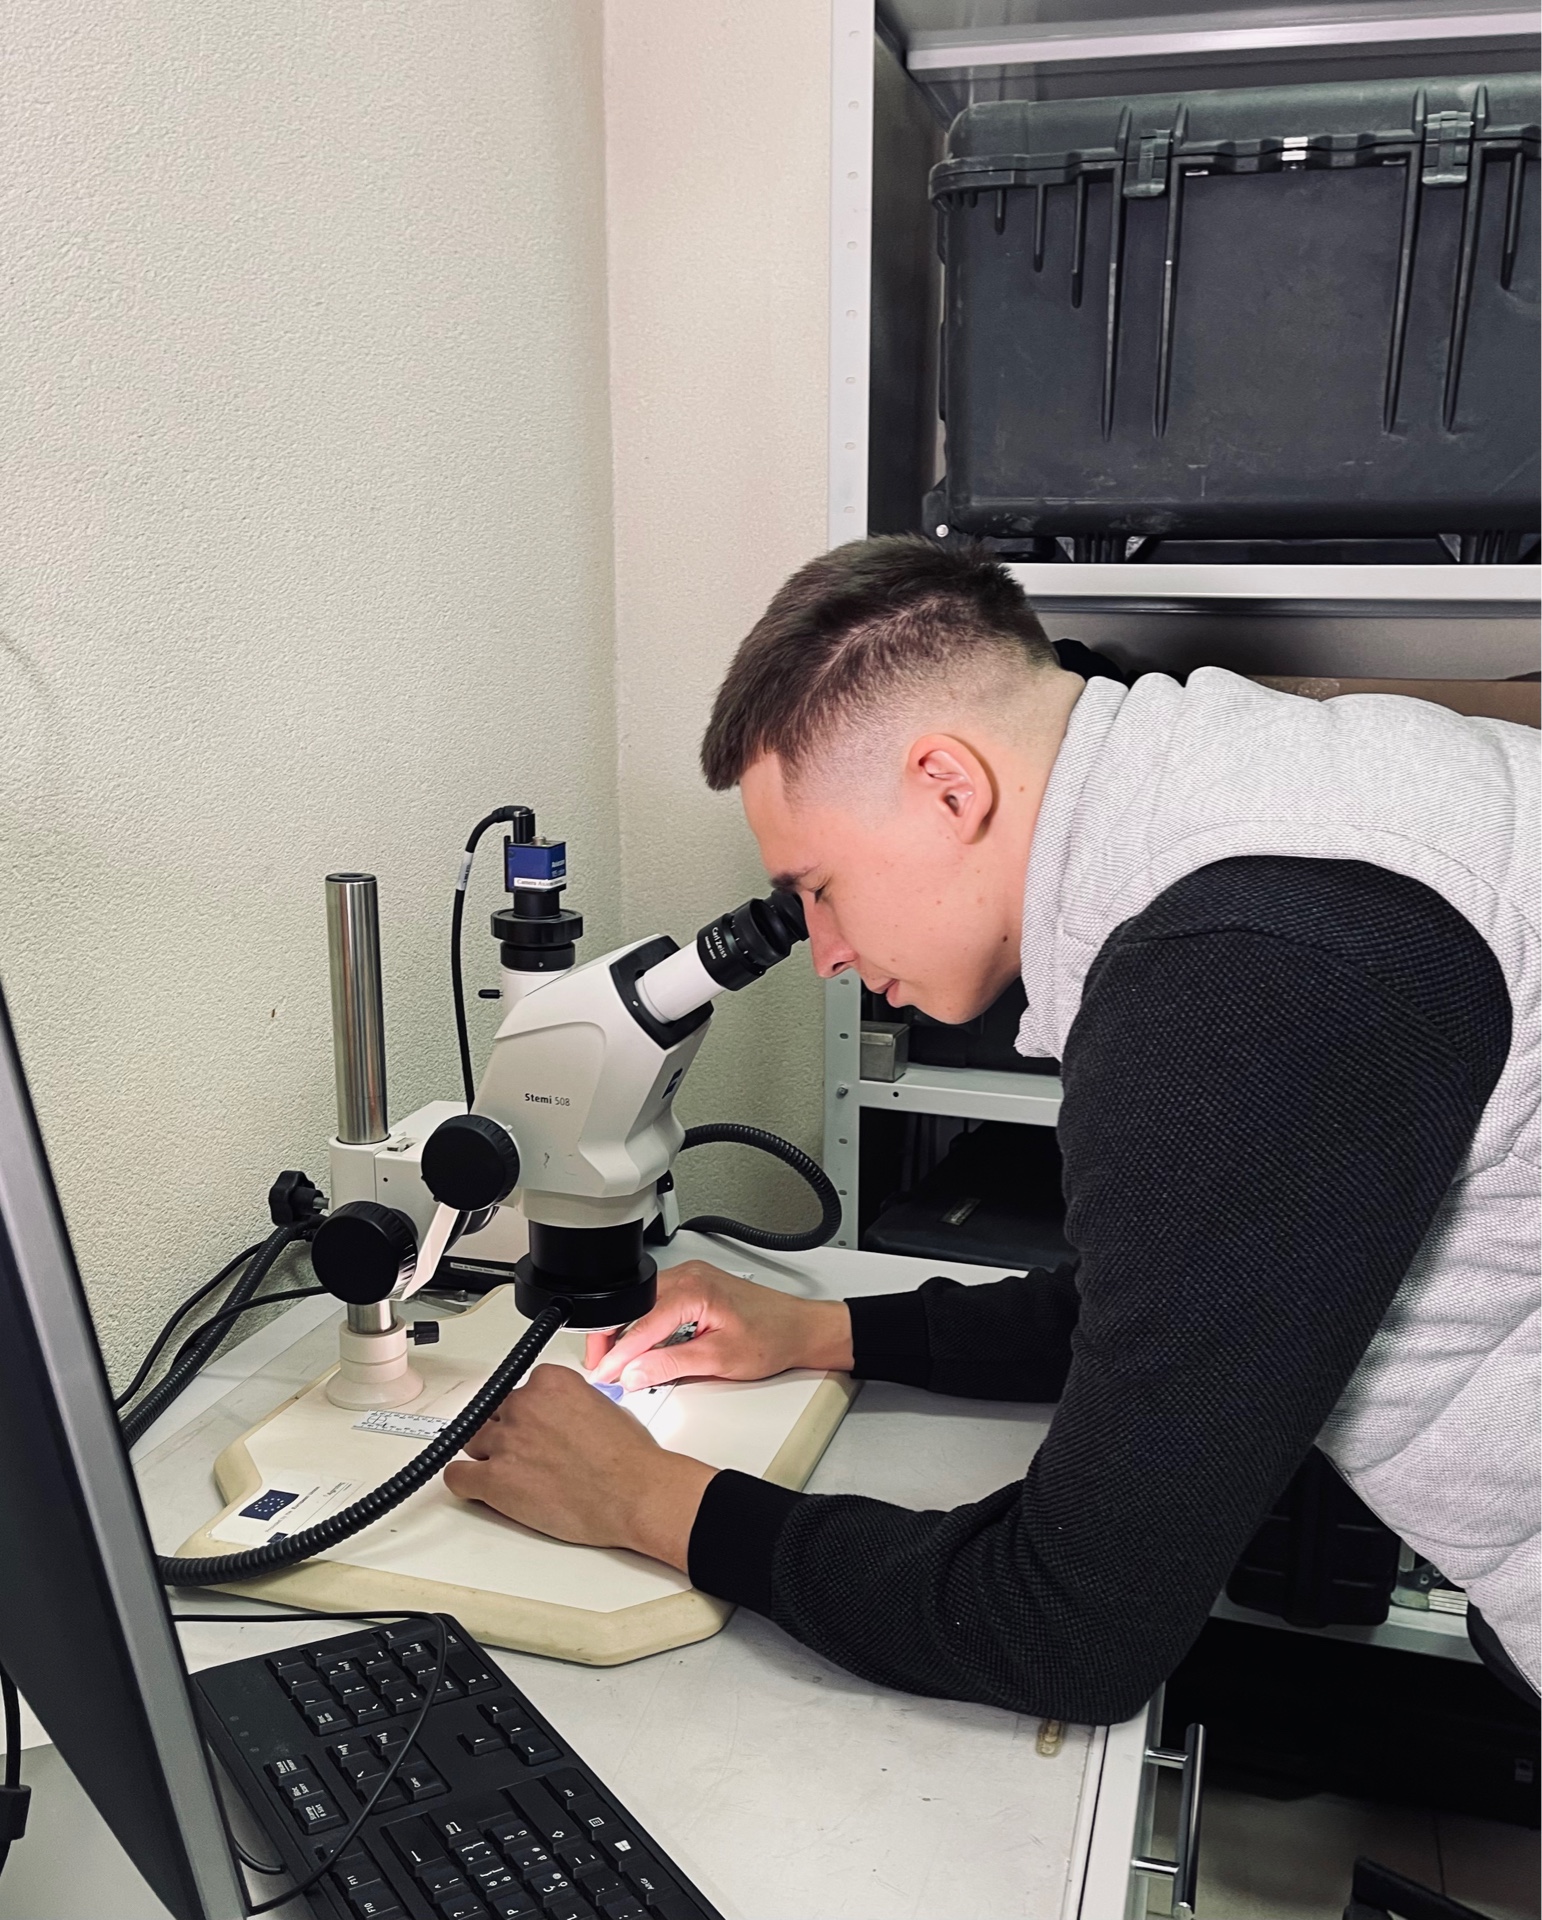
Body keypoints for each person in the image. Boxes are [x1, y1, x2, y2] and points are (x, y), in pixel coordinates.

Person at [444, 536, 1539, 1720]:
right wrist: (826, 1329)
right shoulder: (1241, 804)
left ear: (950, 787)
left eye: (819, 888)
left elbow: (1071, 1632)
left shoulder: (1250, 966)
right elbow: (1184, 1305)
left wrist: (647, 1500)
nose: (827, 954)